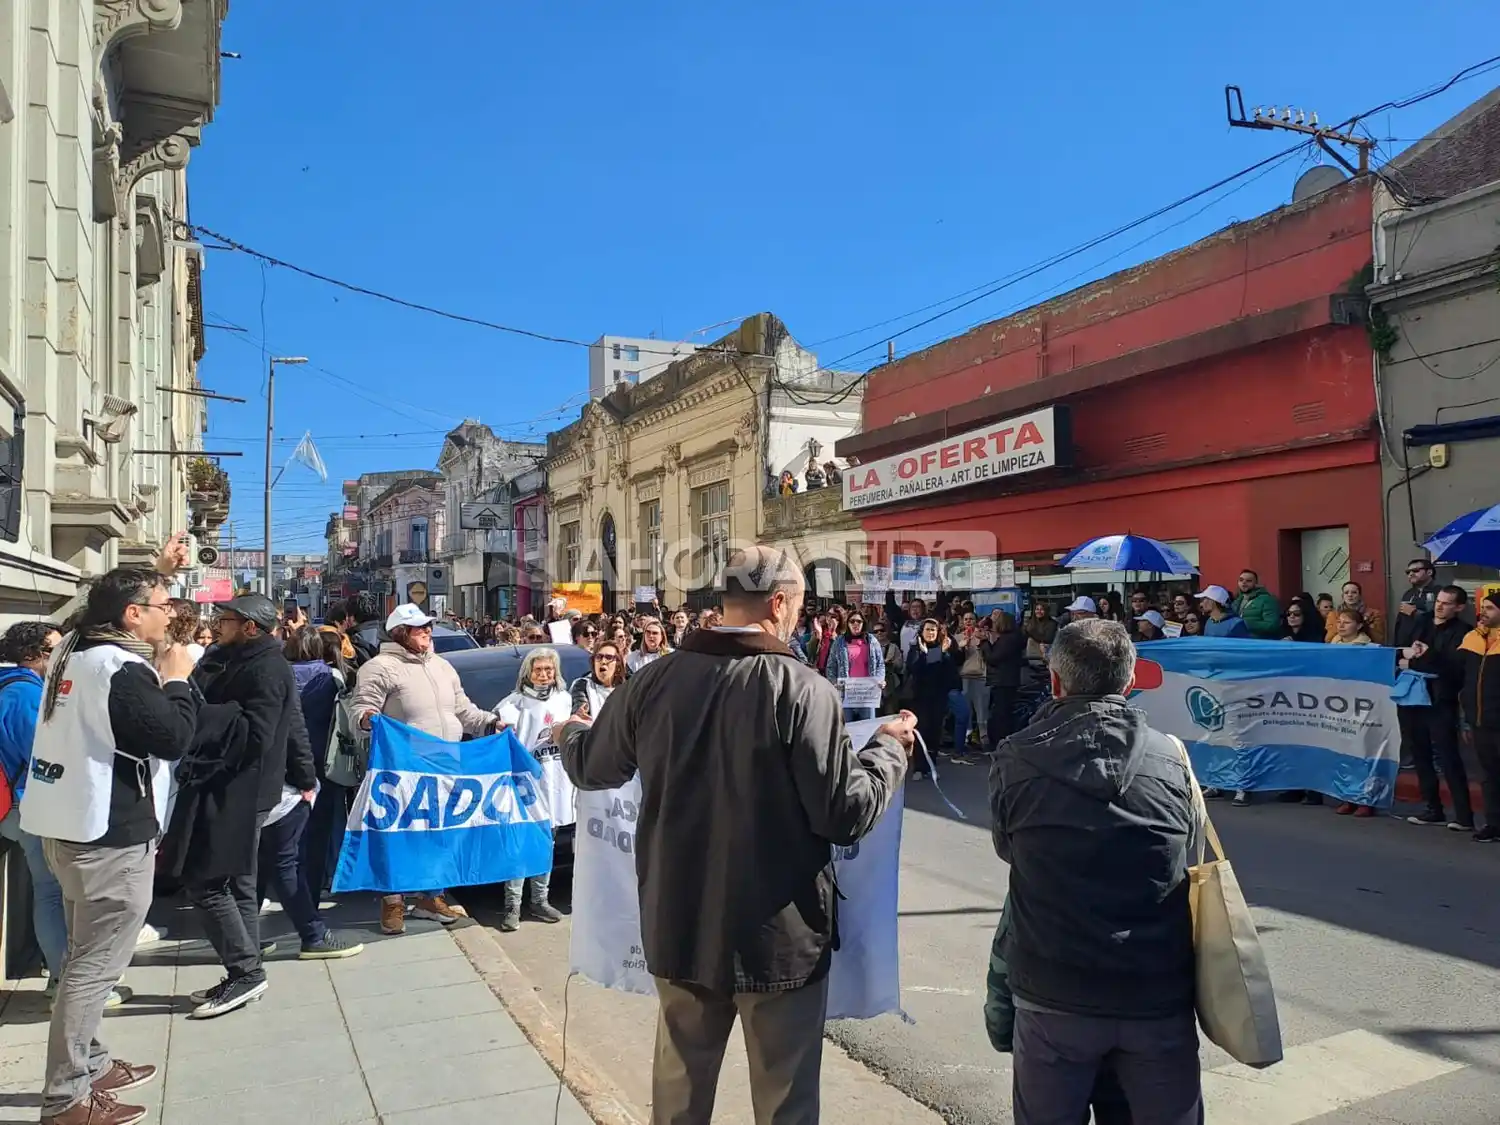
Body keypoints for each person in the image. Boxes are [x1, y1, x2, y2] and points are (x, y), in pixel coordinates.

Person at [552, 545, 913, 1125]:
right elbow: (844, 813)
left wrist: (571, 733)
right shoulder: (802, 689)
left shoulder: (655, 681)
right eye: (798, 604)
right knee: (785, 1100)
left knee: (679, 1094)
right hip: (778, 936)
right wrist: (889, 750)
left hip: (680, 923)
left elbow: (594, 765)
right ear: (778, 603)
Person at [989, 619, 1201, 1124]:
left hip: (1052, 992)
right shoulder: (1172, 758)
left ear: (1056, 683)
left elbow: (1007, 849)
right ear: (1129, 684)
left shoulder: (1014, 758)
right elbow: (1187, 847)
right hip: (1157, 993)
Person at [22, 565, 199, 1125]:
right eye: (163, 603)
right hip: (109, 836)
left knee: (82, 958)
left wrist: (157, 569)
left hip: (67, 823)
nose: (170, 614)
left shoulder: (73, 648)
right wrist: (175, 679)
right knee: (92, 969)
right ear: (132, 614)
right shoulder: (121, 667)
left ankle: (91, 1064)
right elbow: (172, 738)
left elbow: (85, 610)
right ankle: (67, 1098)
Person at [179, 595, 319, 1018]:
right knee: (237, 882)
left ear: (251, 627)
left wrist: (195, 719)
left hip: (243, 789)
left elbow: (263, 731)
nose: (217, 626)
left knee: (209, 880)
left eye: (225, 620)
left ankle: (244, 971)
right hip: (218, 782)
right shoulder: (221, 657)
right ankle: (246, 967)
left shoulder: (268, 667)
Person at [350, 603, 505, 935]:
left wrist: (490, 724)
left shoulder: (442, 666)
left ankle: (429, 897)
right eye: (419, 627)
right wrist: (366, 720)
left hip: (445, 767)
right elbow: (360, 710)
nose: (427, 631)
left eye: (428, 626)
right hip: (402, 770)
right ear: (400, 633)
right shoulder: (379, 668)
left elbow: (464, 711)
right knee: (399, 836)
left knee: (438, 834)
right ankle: (392, 902)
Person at [0, 624, 124, 1008]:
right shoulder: (26, 694)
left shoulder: (10, 686)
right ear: (34, 654)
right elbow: (44, 755)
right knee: (51, 892)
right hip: (23, 804)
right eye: (55, 649)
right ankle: (62, 978)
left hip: (9, 802)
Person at [494, 647, 573, 932]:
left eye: (549, 670)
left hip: (556, 783)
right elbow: (501, 739)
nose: (543, 675)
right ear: (528, 672)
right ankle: (512, 906)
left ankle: (540, 900)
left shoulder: (565, 700)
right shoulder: (513, 704)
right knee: (519, 846)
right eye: (538, 669)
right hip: (525, 787)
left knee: (546, 844)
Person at [1402, 586, 1474, 832]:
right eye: (1439, 601)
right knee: (1420, 753)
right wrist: (1412, 659)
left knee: (1448, 756)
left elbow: (1454, 668)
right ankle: (1432, 808)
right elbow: (1403, 649)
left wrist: (1422, 657)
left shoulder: (1463, 632)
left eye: (1447, 603)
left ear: (1459, 607)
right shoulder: (1421, 622)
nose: (1440, 606)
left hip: (1442, 699)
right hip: (1413, 694)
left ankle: (1464, 816)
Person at [1460, 591, 1500, 842]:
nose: (1483, 612)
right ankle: (1493, 824)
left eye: (1490, 608)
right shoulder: (1472, 639)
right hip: (1479, 721)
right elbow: (1461, 678)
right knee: (1488, 775)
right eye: (1482, 607)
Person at [906, 618, 960, 769]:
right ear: (921, 632)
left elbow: (949, 673)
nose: (930, 633)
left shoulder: (943, 648)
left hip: (938, 697)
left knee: (935, 731)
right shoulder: (916, 649)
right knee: (921, 730)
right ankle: (919, 766)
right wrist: (924, 655)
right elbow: (915, 669)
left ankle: (931, 764)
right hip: (920, 697)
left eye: (933, 630)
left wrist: (944, 654)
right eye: (927, 629)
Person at [826, 609, 885, 722]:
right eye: (852, 621)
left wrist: (880, 679)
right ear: (847, 623)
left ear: (864, 623)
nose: (855, 624)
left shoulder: (872, 641)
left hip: (867, 694)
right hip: (846, 694)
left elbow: (880, 665)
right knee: (847, 729)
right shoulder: (839, 641)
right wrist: (834, 682)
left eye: (859, 621)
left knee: (868, 728)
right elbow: (831, 666)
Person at [984, 611, 1027, 749]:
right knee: (1003, 712)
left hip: (1003, 680)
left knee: (1001, 714)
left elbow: (993, 658)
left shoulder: (1008, 639)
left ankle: (999, 743)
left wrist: (984, 643)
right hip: (1007, 680)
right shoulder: (1012, 638)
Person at [571, 639, 626, 719]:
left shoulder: (627, 690)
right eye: (599, 657)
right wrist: (579, 713)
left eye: (608, 657)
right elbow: (580, 708)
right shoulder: (582, 686)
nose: (603, 661)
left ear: (617, 665)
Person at [1232, 569, 1281, 639]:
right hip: (1240, 642)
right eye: (1241, 580)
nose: (1244, 582)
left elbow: (1272, 625)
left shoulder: (1267, 600)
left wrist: (1247, 624)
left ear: (1256, 584)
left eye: (1248, 581)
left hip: (1259, 643)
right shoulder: (1236, 601)